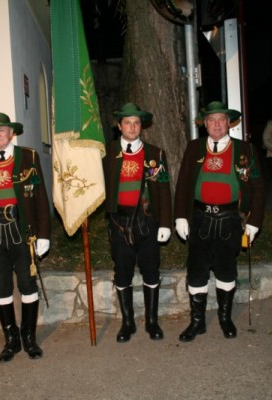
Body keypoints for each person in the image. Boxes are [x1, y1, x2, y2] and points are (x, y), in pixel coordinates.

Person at [174, 101, 265, 341]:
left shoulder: (245, 149)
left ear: (229, 123)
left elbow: (258, 187)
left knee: (226, 269)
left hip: (230, 220)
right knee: (197, 271)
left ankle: (225, 319)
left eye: (221, 120)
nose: (217, 124)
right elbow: (183, 184)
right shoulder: (194, 148)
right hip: (200, 219)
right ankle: (197, 322)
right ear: (205, 124)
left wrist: (254, 221)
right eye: (212, 120)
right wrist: (180, 217)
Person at [0, 112, 51, 362]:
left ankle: (29, 338)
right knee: (2, 286)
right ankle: (11, 340)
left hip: (22, 229)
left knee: (28, 284)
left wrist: (44, 235)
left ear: (11, 133)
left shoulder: (28, 157)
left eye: (2, 130)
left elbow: (40, 196)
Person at [103, 103, 172, 343]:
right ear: (119, 126)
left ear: (141, 126)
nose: (132, 127)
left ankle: (152, 322)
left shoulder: (156, 153)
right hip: (119, 222)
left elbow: (163, 190)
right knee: (122, 272)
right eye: (127, 122)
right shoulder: (107, 153)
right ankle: (128, 323)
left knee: (151, 269)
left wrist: (165, 223)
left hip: (148, 221)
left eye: (136, 123)